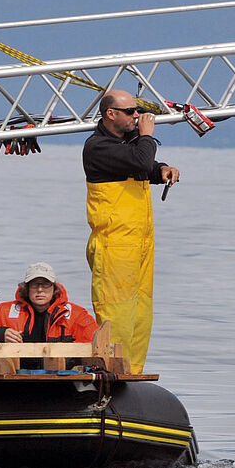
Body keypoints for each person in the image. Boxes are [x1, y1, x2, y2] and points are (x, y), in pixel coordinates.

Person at [82, 89, 180, 375]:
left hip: (139, 243)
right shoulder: (97, 146)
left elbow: (143, 166)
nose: (137, 116)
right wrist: (148, 135)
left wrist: (161, 169)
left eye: (137, 111)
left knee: (141, 313)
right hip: (114, 244)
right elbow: (138, 160)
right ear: (110, 114)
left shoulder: (126, 146)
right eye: (130, 112)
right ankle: (110, 370)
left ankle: (132, 371)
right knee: (117, 313)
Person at [0, 262, 99, 367]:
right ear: (26, 288)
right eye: (35, 285)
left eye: (45, 285)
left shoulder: (76, 315)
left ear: (54, 289)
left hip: (60, 378)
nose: (40, 290)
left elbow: (95, 340)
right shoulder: (5, 311)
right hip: (15, 377)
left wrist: (68, 356)